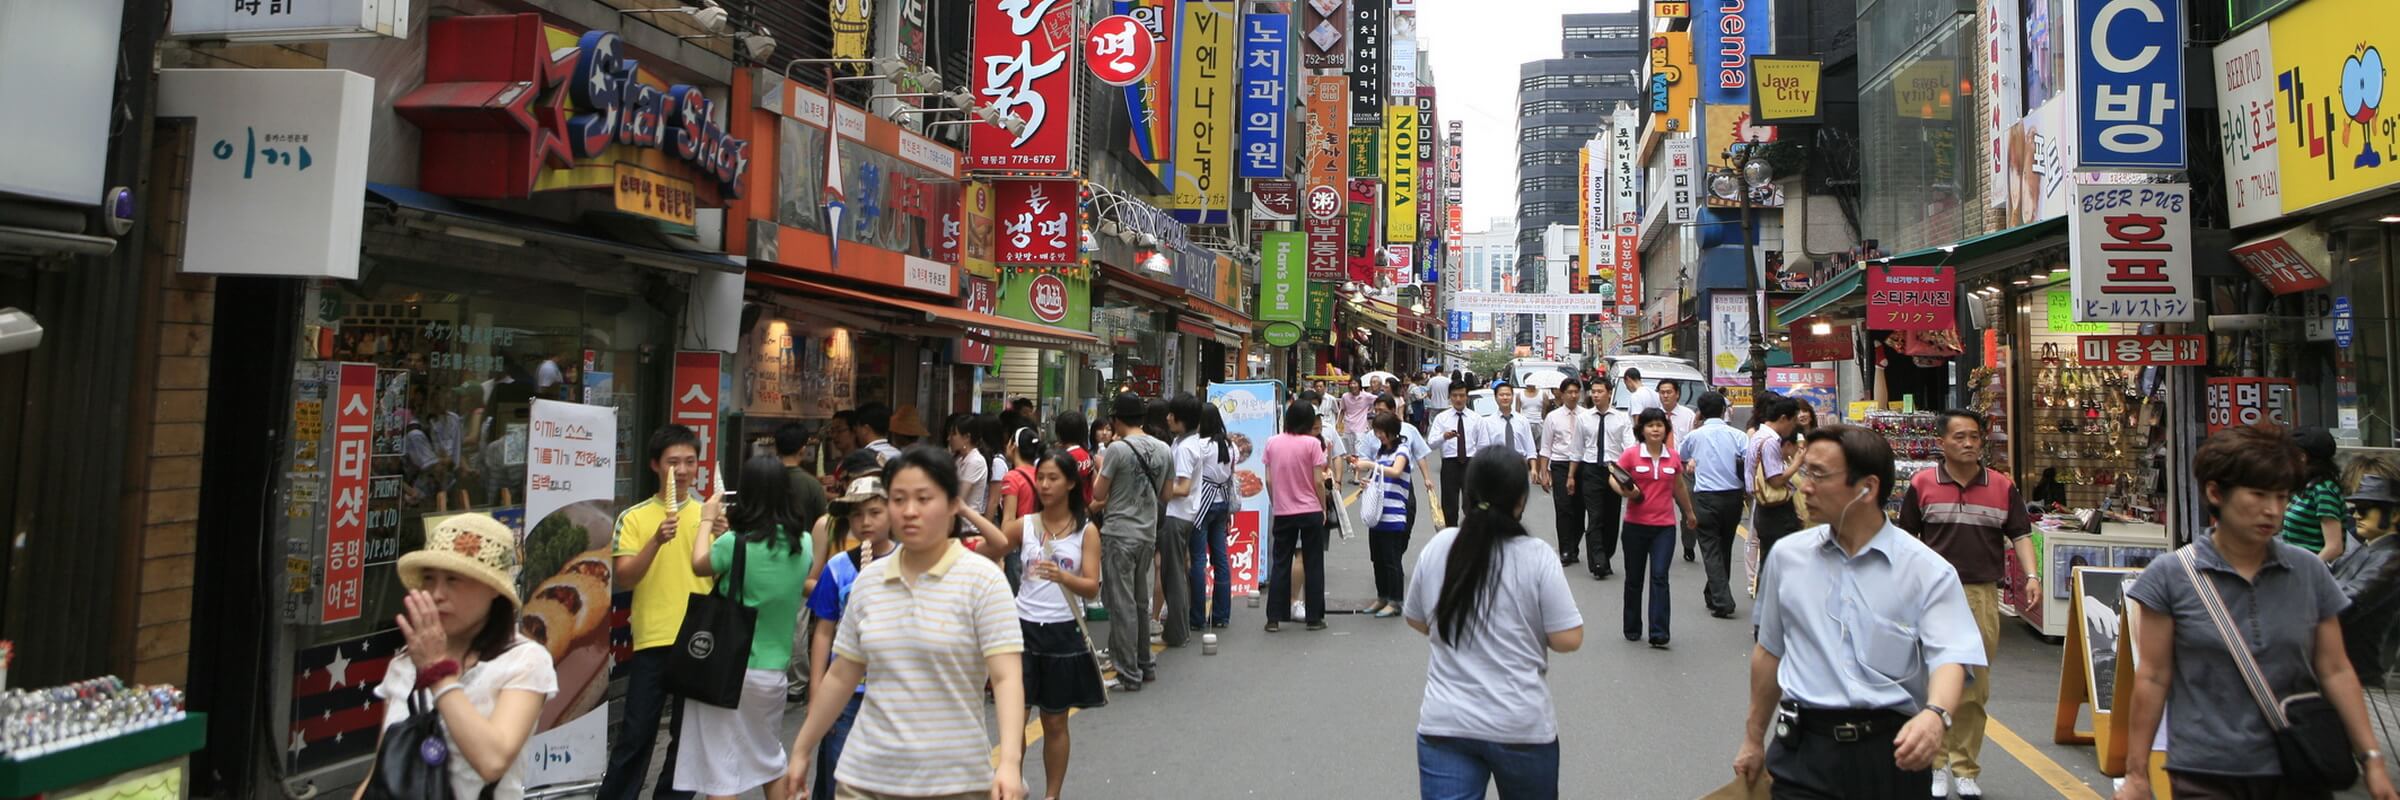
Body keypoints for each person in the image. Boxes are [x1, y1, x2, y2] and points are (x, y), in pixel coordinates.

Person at [2117, 424, 2398, 800]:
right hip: (2205, 771)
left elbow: (2336, 669)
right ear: (2216, 493)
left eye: (2282, 497)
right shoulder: (2170, 578)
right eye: (2259, 495)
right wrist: (2137, 774)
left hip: (2295, 764)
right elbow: (2152, 678)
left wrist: (2373, 761)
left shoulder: (2309, 573)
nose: (2273, 510)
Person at [1732, 424, 1987, 798]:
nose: (1804, 486)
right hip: (1802, 749)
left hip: (1890, 756)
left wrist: (1935, 715)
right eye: (1805, 472)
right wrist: (1753, 740)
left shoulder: (1926, 570)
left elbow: (1950, 656)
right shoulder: (1787, 558)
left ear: (1867, 488)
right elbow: (1769, 652)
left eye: (1818, 474)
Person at [779, 446, 1028, 800]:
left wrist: (1009, 762)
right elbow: (842, 672)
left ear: (953, 504)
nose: (910, 511)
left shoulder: (982, 581)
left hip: (954, 782)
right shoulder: (869, 581)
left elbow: (1006, 678)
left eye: (924, 498)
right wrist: (802, 748)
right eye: (898, 499)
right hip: (863, 778)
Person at [1404, 446, 1584, 800]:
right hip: (1521, 725)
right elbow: (1568, 638)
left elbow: (1418, 620)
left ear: (1468, 495)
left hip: (1446, 723)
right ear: (1520, 500)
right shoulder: (1538, 556)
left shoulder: (1440, 546)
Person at [1893, 410, 2038, 800]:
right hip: (1931, 596)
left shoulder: (2002, 486)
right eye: (1959, 437)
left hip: (1980, 594)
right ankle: (1936, 764)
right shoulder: (1921, 484)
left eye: (1974, 437)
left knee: (1976, 686)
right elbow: (1904, 540)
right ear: (1941, 442)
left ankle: (1965, 767)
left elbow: (2021, 534)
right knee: (1932, 679)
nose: (1969, 443)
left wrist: (2032, 576)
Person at [366, 514, 557, 800]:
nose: (437, 594)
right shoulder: (404, 664)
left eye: (454, 579)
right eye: (429, 578)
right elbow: (379, 773)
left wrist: (437, 674)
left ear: (494, 588)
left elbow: (493, 761)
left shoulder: (525, 661)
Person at [676, 456, 814, 800]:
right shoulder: (804, 543)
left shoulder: (735, 543)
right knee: (770, 760)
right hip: (773, 673)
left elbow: (699, 565)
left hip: (724, 668)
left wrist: (707, 522)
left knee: (721, 773)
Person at [603, 425, 726, 800]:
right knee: (637, 734)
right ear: (656, 465)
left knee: (688, 739)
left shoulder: (710, 514)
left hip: (698, 638)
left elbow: (724, 575)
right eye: (674, 462)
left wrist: (725, 534)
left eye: (690, 461)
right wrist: (656, 540)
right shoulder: (635, 517)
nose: (684, 470)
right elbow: (625, 577)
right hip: (654, 636)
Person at [1004, 452, 1110, 800]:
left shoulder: (1086, 532)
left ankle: (1052, 795)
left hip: (1065, 630)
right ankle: (1013, 785)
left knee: (1054, 721)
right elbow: (992, 546)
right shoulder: (1026, 525)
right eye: (1041, 477)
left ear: (1069, 483)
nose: (1044, 485)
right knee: (1014, 719)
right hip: (1022, 628)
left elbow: (1092, 586)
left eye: (1052, 478)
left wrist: (1063, 575)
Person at [799, 474, 893, 800]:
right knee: (838, 772)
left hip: (891, 687)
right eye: (856, 514)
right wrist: (816, 691)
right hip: (845, 690)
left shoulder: (908, 562)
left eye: (874, 512)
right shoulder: (838, 567)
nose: (865, 522)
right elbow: (824, 630)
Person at [1091, 393, 1177, 686]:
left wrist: (1099, 470)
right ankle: (1145, 662)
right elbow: (1166, 495)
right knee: (1140, 602)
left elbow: (1098, 494)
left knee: (1121, 603)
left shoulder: (1117, 450)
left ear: (1116, 420)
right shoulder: (1164, 449)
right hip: (1147, 533)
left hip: (1119, 533)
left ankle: (1127, 671)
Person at [1610, 409, 1696, 648]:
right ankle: (1632, 627)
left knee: (1659, 576)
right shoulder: (1631, 455)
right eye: (1650, 426)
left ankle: (1659, 632)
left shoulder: (1673, 457)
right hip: (1634, 526)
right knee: (1634, 578)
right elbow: (1613, 477)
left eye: (1659, 425)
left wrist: (1689, 513)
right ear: (1642, 430)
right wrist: (1628, 492)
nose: (1655, 430)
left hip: (1664, 528)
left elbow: (1679, 487)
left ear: (1665, 430)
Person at [1679, 392, 1750, 619]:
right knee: (1724, 546)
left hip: (1705, 497)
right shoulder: (1737, 435)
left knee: (1710, 548)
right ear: (1723, 410)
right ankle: (1714, 593)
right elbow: (1748, 459)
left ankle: (1721, 600)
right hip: (1732, 497)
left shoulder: (1694, 436)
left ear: (1700, 412)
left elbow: (1682, 455)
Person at [1265, 398, 1333, 632]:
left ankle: (1274, 617)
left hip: (1284, 510)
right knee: (1313, 562)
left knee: (1281, 562)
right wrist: (1323, 507)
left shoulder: (1272, 442)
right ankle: (1314, 618)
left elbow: (1269, 480)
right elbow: (1318, 481)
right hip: (1310, 509)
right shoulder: (1312, 444)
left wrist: (1277, 502)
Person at [1170, 397, 1237, 631]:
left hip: (1202, 504)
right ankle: (1221, 615)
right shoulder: (1230, 445)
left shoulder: (1200, 445)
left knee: (1198, 559)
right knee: (1221, 559)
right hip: (1222, 503)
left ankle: (1197, 616)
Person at [1353, 412, 1418, 618]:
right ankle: (1382, 596)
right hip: (1377, 514)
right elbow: (1377, 477)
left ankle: (1395, 601)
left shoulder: (1403, 450)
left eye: (1381, 432)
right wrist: (1367, 482)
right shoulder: (1381, 453)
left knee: (1391, 560)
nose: (1378, 436)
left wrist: (1371, 466)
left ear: (1392, 431)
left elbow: (1396, 472)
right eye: (1376, 432)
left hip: (1394, 514)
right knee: (1378, 560)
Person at [1538, 379, 1591, 569]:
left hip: (1583, 464)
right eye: (1569, 392)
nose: (1574, 396)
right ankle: (1565, 549)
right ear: (1562, 394)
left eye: (1577, 392)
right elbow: (1546, 447)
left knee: (1579, 508)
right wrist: (1544, 472)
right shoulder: (1553, 417)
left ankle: (1574, 545)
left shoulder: (1587, 415)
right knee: (1563, 508)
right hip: (1560, 464)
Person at [1748, 396, 1805, 571]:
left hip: (1763, 508)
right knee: (1779, 564)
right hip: (1776, 511)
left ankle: (1765, 596)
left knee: (1769, 561)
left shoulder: (1758, 435)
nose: (1794, 426)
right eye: (1793, 420)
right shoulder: (1771, 441)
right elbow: (1776, 480)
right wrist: (1797, 462)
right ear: (1783, 418)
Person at [2285, 426, 2351, 564]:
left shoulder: (2323, 490)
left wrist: (2308, 573)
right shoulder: (2305, 487)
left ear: (2302, 457)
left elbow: (2334, 547)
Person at [773, 423, 831, 559]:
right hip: (801, 554)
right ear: (803, 450)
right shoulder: (812, 484)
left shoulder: (763, 479)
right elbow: (824, 523)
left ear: (776, 448)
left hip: (764, 551)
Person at [1657, 381, 1698, 561]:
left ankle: (1688, 545)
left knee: (1689, 507)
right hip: (1658, 465)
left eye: (1668, 392)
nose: (1665, 396)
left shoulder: (1688, 415)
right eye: (1662, 392)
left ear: (1677, 394)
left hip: (1681, 466)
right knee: (1656, 507)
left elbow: (1694, 442)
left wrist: (1692, 460)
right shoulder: (1653, 415)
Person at [1429, 381, 1480, 526]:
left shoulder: (1476, 419)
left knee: (1471, 503)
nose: (1458, 399)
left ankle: (1470, 535)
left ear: (1467, 397)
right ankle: (1450, 537)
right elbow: (1431, 443)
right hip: (1450, 464)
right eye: (1455, 395)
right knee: (1449, 505)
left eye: (1462, 395)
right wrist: (1444, 437)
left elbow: (1483, 445)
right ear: (1449, 397)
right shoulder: (1442, 418)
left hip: (1471, 463)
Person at [1474, 383, 1537, 474]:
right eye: (1501, 395)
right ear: (1495, 398)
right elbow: (1484, 449)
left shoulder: (1523, 420)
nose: (1505, 397)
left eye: (1508, 394)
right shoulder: (1487, 422)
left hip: (1519, 466)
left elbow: (1530, 447)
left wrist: (1534, 468)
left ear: (1512, 397)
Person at [945, 413, 989, 520]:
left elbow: (960, 496)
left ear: (966, 437)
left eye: (953, 434)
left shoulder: (975, 461)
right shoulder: (960, 459)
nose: (949, 438)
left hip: (968, 527)